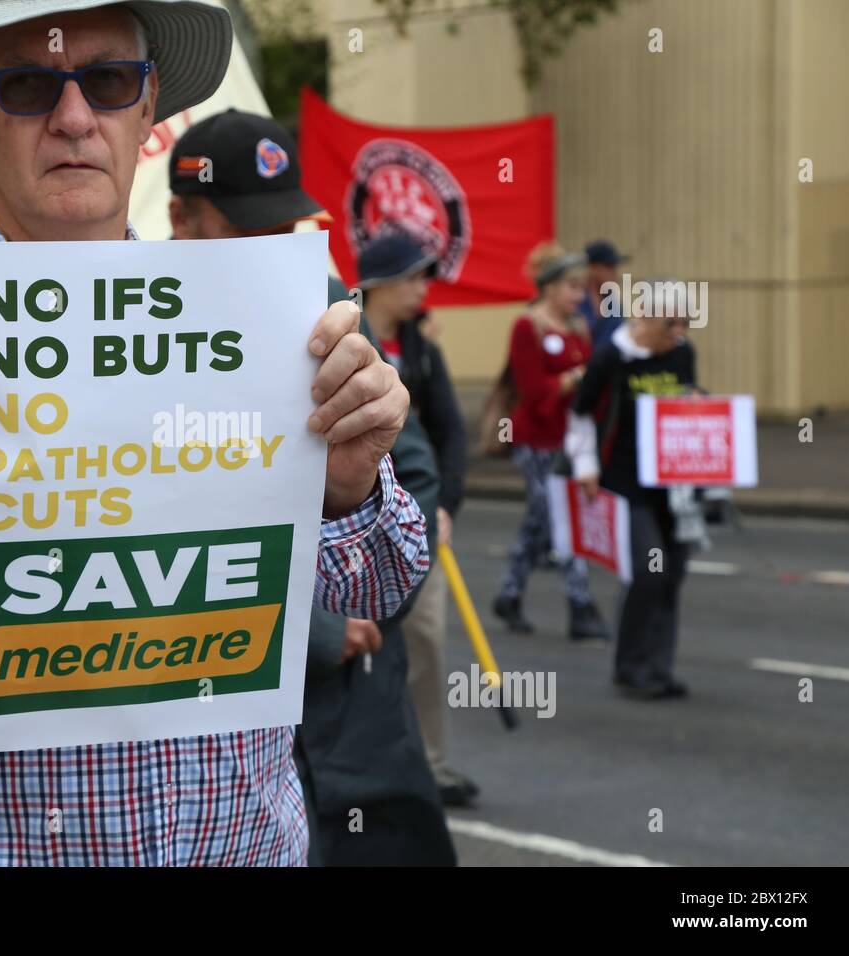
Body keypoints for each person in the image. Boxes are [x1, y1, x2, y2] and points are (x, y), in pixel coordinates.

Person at [0, 0, 427, 867]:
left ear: (148, 110)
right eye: (28, 85)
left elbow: (381, 586)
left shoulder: (266, 328)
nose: (76, 118)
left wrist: (348, 488)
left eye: (109, 81)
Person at [168, 116, 455, 864]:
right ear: (181, 219)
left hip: (331, 694)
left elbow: (412, 472)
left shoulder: (324, 307)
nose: (275, 252)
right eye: (247, 229)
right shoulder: (130, 316)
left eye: (289, 227)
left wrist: (337, 613)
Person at [354, 234, 478, 807]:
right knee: (355, 644)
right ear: (377, 282)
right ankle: (367, 762)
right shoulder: (346, 337)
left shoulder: (422, 349)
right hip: (348, 526)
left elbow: (451, 431)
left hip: (418, 521)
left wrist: (445, 503)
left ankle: (430, 761)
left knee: (424, 638)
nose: (421, 289)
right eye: (410, 277)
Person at [566, 302, 698, 699]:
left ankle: (658, 667)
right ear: (644, 317)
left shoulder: (683, 353)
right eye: (669, 322)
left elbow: (686, 402)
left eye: (685, 323)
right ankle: (631, 663)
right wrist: (585, 465)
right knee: (649, 570)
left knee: (672, 572)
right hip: (625, 481)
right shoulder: (612, 357)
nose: (678, 330)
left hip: (674, 484)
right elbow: (581, 411)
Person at [492, 242, 609, 641]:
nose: (580, 296)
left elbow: (593, 384)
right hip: (536, 440)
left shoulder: (578, 327)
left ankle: (509, 594)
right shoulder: (529, 326)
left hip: (570, 438)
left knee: (540, 522)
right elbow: (533, 391)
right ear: (550, 287)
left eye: (582, 288)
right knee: (559, 516)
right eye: (573, 287)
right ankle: (581, 605)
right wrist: (575, 377)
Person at [579, 239, 627, 349]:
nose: (615, 274)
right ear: (592, 268)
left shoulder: (614, 305)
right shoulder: (576, 302)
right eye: (609, 268)